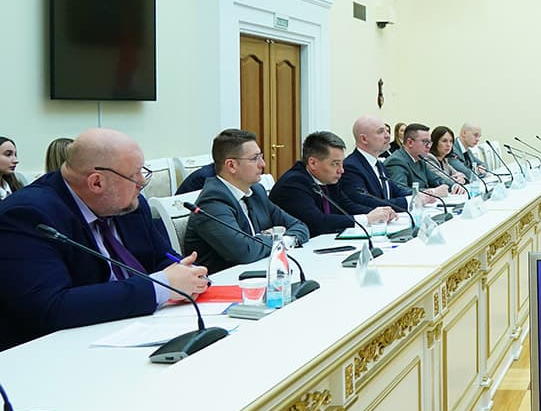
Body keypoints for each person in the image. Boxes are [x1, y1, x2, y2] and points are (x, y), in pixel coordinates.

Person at [0, 128, 210, 351]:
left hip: (147, 329)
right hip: (61, 350)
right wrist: (161, 286)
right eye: (134, 175)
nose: (142, 183)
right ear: (97, 183)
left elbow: (160, 257)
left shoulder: (129, 204)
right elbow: (52, 307)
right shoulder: (27, 216)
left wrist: (187, 273)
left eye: (143, 171)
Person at [182, 129, 309, 275]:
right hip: (225, 281)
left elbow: (300, 227)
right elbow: (244, 252)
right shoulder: (212, 203)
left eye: (261, 157)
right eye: (254, 158)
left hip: (260, 271)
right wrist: (277, 239)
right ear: (231, 165)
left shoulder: (256, 191)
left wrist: (271, 239)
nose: (263, 164)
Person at [269, 131, 397, 236]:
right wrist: (367, 219)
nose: (341, 170)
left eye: (341, 163)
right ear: (313, 163)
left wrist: (378, 213)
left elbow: (346, 205)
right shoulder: (293, 183)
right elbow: (318, 223)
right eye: (335, 164)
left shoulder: (329, 179)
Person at [342, 116, 414, 212]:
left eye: (387, 131)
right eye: (381, 132)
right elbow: (365, 202)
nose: (388, 136)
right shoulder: (351, 167)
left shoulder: (378, 164)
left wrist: (418, 195)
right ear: (364, 139)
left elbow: (395, 191)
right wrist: (408, 201)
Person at [384, 123, 465, 195]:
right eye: (425, 142)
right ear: (410, 143)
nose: (429, 146)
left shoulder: (420, 159)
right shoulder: (396, 161)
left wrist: (454, 186)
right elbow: (400, 190)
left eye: (430, 142)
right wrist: (432, 192)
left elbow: (436, 179)